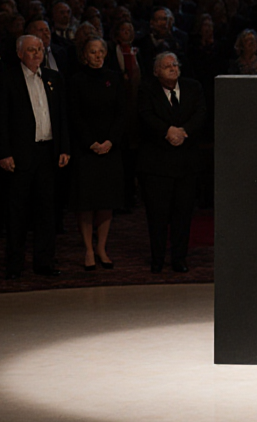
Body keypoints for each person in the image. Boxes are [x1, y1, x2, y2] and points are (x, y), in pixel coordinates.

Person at [0, 34, 71, 278]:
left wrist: (64, 147)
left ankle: (44, 262)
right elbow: (1, 120)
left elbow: (61, 117)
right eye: (31, 50)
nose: (37, 54)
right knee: (17, 212)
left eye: (39, 49)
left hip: (48, 153)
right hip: (20, 155)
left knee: (46, 211)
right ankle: (15, 264)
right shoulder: (7, 79)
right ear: (19, 54)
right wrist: (4, 152)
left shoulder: (53, 78)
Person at [136, 52, 207, 273]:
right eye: (167, 66)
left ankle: (179, 258)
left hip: (186, 163)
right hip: (157, 164)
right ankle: (157, 259)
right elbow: (145, 116)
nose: (172, 68)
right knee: (157, 215)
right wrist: (167, 131)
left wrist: (183, 132)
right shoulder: (147, 89)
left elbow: (201, 113)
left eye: (175, 64)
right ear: (156, 71)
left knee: (183, 214)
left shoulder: (193, 87)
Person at [68, 38, 127, 271]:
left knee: (106, 201)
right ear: (85, 55)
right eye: (93, 52)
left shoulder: (114, 78)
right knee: (87, 202)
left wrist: (110, 141)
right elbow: (75, 115)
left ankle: (102, 247)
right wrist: (91, 143)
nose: (98, 56)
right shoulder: (76, 80)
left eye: (101, 51)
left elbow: (122, 113)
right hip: (86, 149)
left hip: (110, 148)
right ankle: (88, 250)